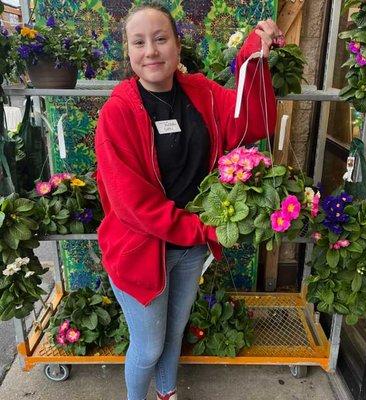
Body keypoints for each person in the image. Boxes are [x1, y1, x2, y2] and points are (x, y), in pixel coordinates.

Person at [95, 3, 280, 400]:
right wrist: (203, 228)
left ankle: (167, 392)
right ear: (128, 52)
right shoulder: (118, 113)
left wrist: (253, 59)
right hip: (139, 250)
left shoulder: (202, 93)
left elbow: (254, 122)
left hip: (189, 249)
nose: (151, 51)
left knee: (174, 333)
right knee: (147, 347)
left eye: (161, 39)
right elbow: (132, 205)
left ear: (177, 45)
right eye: (139, 42)